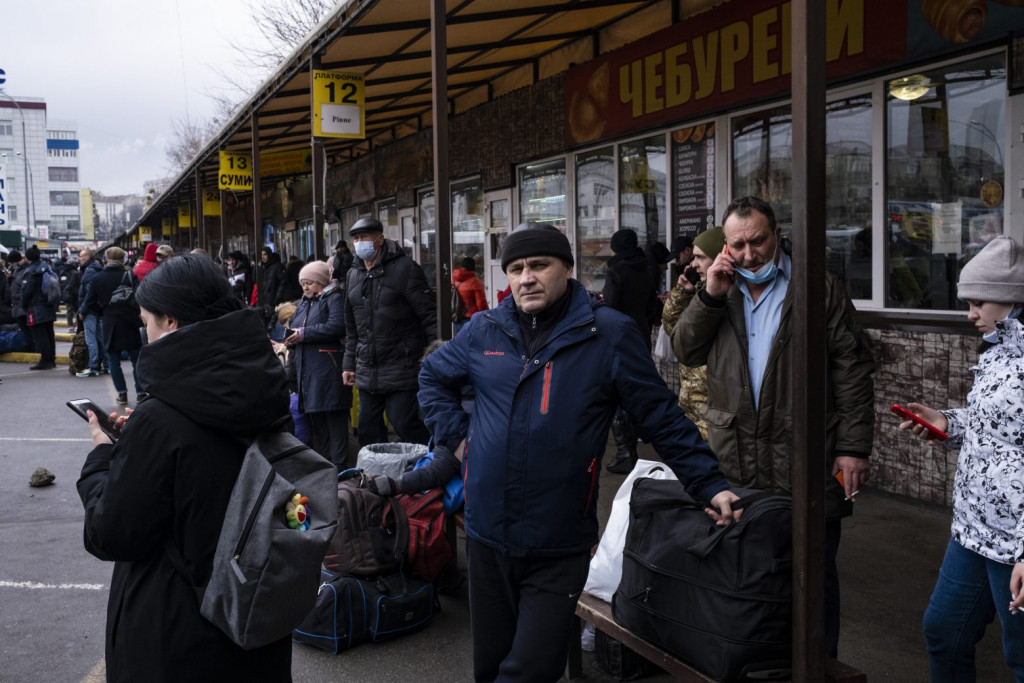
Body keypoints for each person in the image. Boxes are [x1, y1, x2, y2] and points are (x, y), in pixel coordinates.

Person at [418, 221, 741, 682]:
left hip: (557, 541)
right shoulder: (484, 331)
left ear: (568, 269)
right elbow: (432, 376)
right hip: (486, 533)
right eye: (515, 268)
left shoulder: (607, 334)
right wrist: (460, 437)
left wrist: (708, 484)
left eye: (539, 265)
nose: (526, 277)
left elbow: (662, 417)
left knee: (529, 671)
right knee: (489, 668)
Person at [673, 196, 875, 658]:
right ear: (725, 247)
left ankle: (817, 666)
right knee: (744, 575)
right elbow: (685, 350)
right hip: (737, 457)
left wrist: (853, 447)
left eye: (757, 240)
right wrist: (710, 294)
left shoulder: (816, 288)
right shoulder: (719, 291)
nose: (748, 254)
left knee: (814, 576)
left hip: (805, 456)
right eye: (737, 245)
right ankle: (759, 663)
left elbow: (852, 369)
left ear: (777, 234)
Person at [76, 254, 292, 682]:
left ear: (171, 322)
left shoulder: (162, 419)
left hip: (175, 633)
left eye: (147, 322)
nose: (146, 334)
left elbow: (111, 532)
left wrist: (102, 456)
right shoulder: (262, 384)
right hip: (252, 619)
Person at [897, 235, 1024, 681]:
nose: (969, 313)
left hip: (1017, 542)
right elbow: (996, 426)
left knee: (1022, 657)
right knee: (943, 631)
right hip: (974, 528)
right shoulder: (999, 351)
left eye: (977, 302)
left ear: (1010, 299)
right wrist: (948, 423)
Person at [342, 217, 435, 447]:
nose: (359, 243)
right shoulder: (353, 274)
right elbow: (351, 326)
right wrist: (348, 364)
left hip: (401, 365)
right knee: (367, 428)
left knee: (403, 423)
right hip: (367, 368)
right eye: (355, 238)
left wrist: (435, 355)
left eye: (364, 237)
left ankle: (433, 460)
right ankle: (374, 477)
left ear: (380, 240)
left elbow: (429, 316)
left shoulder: (405, 269)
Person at [602, 228, 661, 474]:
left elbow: (610, 306)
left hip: (618, 338)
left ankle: (626, 452)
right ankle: (640, 435)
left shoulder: (616, 271)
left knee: (615, 393)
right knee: (636, 388)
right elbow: (651, 307)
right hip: (641, 336)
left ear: (616, 247)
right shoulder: (649, 268)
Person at [284, 260, 352, 470]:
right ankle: (326, 470)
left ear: (321, 281)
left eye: (310, 282)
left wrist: (304, 335)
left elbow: (337, 326)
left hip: (328, 371)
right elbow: (296, 327)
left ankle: (340, 471)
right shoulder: (305, 302)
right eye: (303, 283)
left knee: (335, 424)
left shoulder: (334, 297)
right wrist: (288, 340)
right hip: (309, 373)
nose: (305, 287)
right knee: (320, 426)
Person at [660, 226, 725, 440]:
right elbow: (673, 327)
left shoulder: (723, 298)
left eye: (700, 257)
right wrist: (682, 292)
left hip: (714, 417)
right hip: (692, 411)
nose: (693, 264)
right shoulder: (700, 292)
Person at [83, 247, 143, 405]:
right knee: (136, 359)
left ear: (106, 259)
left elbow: (90, 302)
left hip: (110, 322)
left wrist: (104, 310)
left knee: (113, 360)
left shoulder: (97, 278)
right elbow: (140, 296)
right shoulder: (130, 275)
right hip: (130, 321)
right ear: (123, 260)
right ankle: (140, 392)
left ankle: (122, 394)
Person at [19, 245, 58, 370]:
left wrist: (23, 304)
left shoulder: (30, 271)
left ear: (28, 257)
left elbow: (27, 291)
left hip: (35, 307)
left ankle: (45, 360)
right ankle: (51, 359)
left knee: (39, 335)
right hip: (49, 304)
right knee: (49, 334)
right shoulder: (46, 267)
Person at [76, 249, 107, 377]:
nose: (79, 258)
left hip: (90, 310)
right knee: (101, 338)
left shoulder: (89, 271)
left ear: (87, 257)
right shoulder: (99, 268)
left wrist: (82, 310)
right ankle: (108, 365)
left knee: (91, 339)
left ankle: (93, 366)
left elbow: (89, 294)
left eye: (81, 256)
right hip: (99, 309)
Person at [452, 256, 488, 333]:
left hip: (457, 316)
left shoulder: (454, 280)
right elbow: (481, 304)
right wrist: (486, 316)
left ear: (462, 266)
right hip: (470, 318)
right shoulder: (475, 282)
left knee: (459, 342)